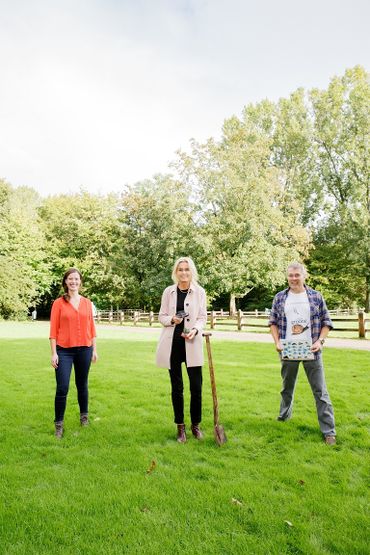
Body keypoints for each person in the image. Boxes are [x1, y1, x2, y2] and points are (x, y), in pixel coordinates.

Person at [268, 262, 336, 445]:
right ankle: (283, 417)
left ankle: (329, 431)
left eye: (297, 275)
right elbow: (272, 322)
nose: (294, 278)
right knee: (286, 388)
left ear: (304, 275)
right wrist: (277, 342)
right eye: (290, 275)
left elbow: (326, 322)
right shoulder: (280, 297)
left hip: (311, 349)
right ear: (287, 276)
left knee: (320, 391)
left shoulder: (315, 296)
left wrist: (319, 342)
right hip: (288, 349)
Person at [156, 257, 207, 443]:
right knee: (177, 388)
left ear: (191, 271)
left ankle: (196, 425)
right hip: (173, 346)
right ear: (175, 272)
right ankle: (180, 427)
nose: (183, 272)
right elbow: (161, 316)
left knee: (196, 387)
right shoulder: (168, 292)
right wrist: (171, 320)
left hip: (192, 343)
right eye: (180, 269)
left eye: (187, 269)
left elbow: (202, 317)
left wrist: (196, 329)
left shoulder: (199, 292)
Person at [49, 268, 98, 438]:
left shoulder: (87, 302)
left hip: (85, 349)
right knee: (62, 387)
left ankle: (84, 416)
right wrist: (54, 353)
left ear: (80, 282)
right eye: (70, 279)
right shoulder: (58, 303)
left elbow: (91, 327)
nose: (73, 282)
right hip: (64, 351)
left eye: (76, 279)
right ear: (65, 282)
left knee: (82, 384)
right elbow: (53, 330)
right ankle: (59, 424)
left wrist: (94, 349)